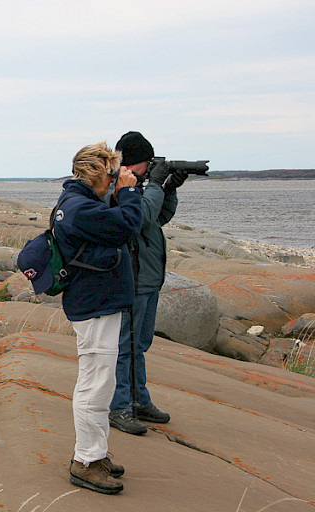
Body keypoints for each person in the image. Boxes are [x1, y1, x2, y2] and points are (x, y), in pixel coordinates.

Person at [53, 142, 142, 494]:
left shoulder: (80, 204)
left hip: (96, 304)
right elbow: (128, 226)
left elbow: (115, 225)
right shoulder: (80, 209)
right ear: (94, 172)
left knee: (100, 384)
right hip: (94, 307)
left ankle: (97, 452)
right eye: (111, 173)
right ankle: (85, 461)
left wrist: (120, 191)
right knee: (95, 384)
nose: (115, 179)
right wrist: (129, 192)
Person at [107, 131, 188, 435]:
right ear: (131, 163)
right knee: (125, 347)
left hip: (148, 280)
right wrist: (155, 184)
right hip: (132, 281)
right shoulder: (117, 189)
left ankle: (138, 400)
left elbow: (159, 216)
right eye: (146, 163)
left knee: (139, 345)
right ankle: (119, 407)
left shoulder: (137, 188)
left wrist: (169, 188)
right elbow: (143, 216)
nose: (149, 168)